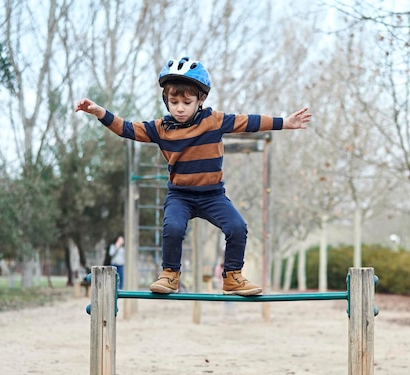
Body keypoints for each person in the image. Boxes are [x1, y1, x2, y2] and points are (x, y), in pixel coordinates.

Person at [76, 56, 311, 295]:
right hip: (180, 195)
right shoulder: (160, 128)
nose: (179, 108)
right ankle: (169, 275)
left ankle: (232, 278)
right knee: (173, 228)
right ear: (166, 101)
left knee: (237, 227)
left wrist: (285, 122)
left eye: (186, 102)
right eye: (173, 101)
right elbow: (126, 128)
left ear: (201, 99)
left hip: (213, 195)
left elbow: (249, 122)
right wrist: (99, 112)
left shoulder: (214, 121)